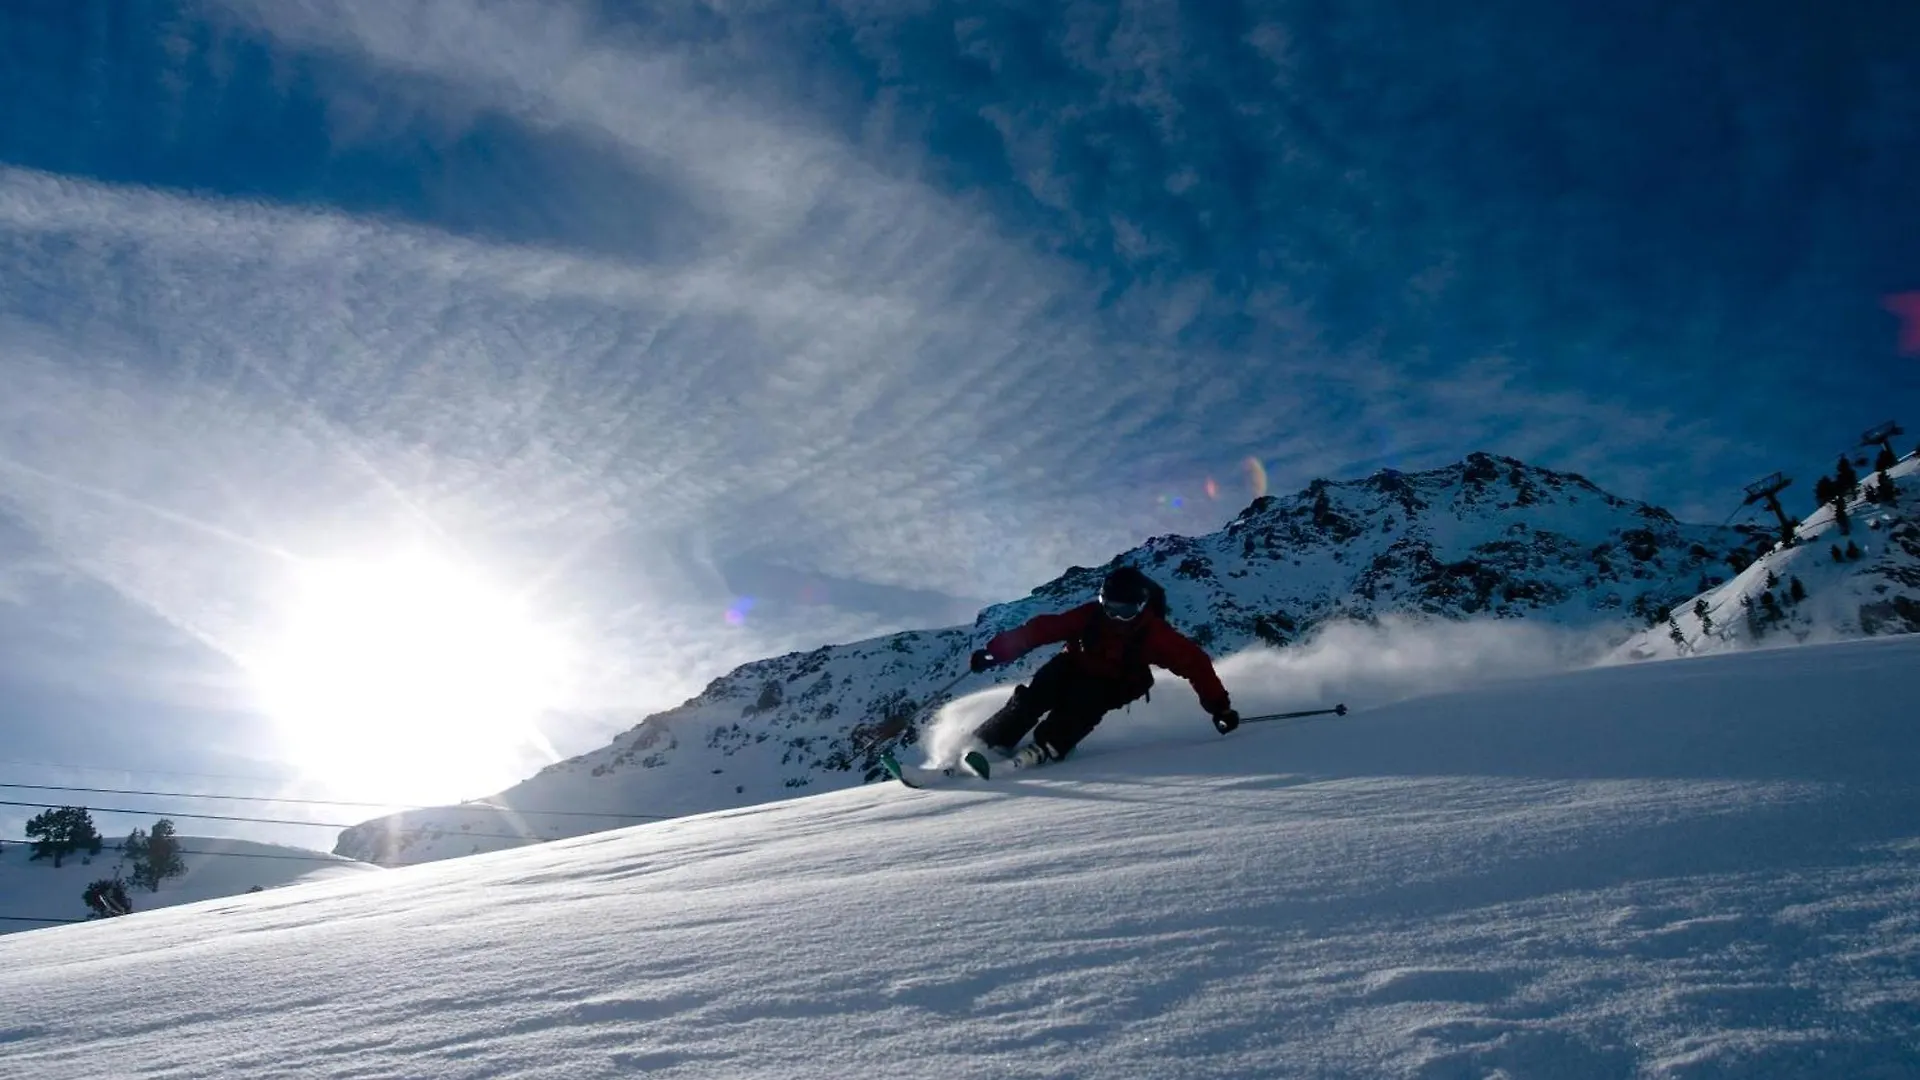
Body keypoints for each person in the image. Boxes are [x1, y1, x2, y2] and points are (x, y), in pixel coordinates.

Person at [967, 565, 1239, 768]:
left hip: (1118, 680)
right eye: (1109, 608)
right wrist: (996, 652)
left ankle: (1048, 746)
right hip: (1075, 663)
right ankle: (988, 743)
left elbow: (1196, 664)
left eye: (1125, 611)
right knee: (1042, 687)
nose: (1116, 617)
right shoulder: (1091, 616)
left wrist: (1220, 707)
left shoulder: (1155, 634)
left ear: (1140, 606)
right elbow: (1042, 630)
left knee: (1085, 702)